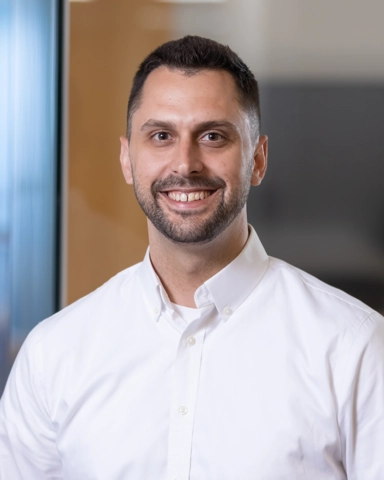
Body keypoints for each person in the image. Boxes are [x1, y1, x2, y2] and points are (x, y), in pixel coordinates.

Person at [0, 35, 383, 480]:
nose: (185, 163)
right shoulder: (54, 354)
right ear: (127, 159)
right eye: (161, 136)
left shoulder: (354, 348)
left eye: (213, 136)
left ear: (257, 159)